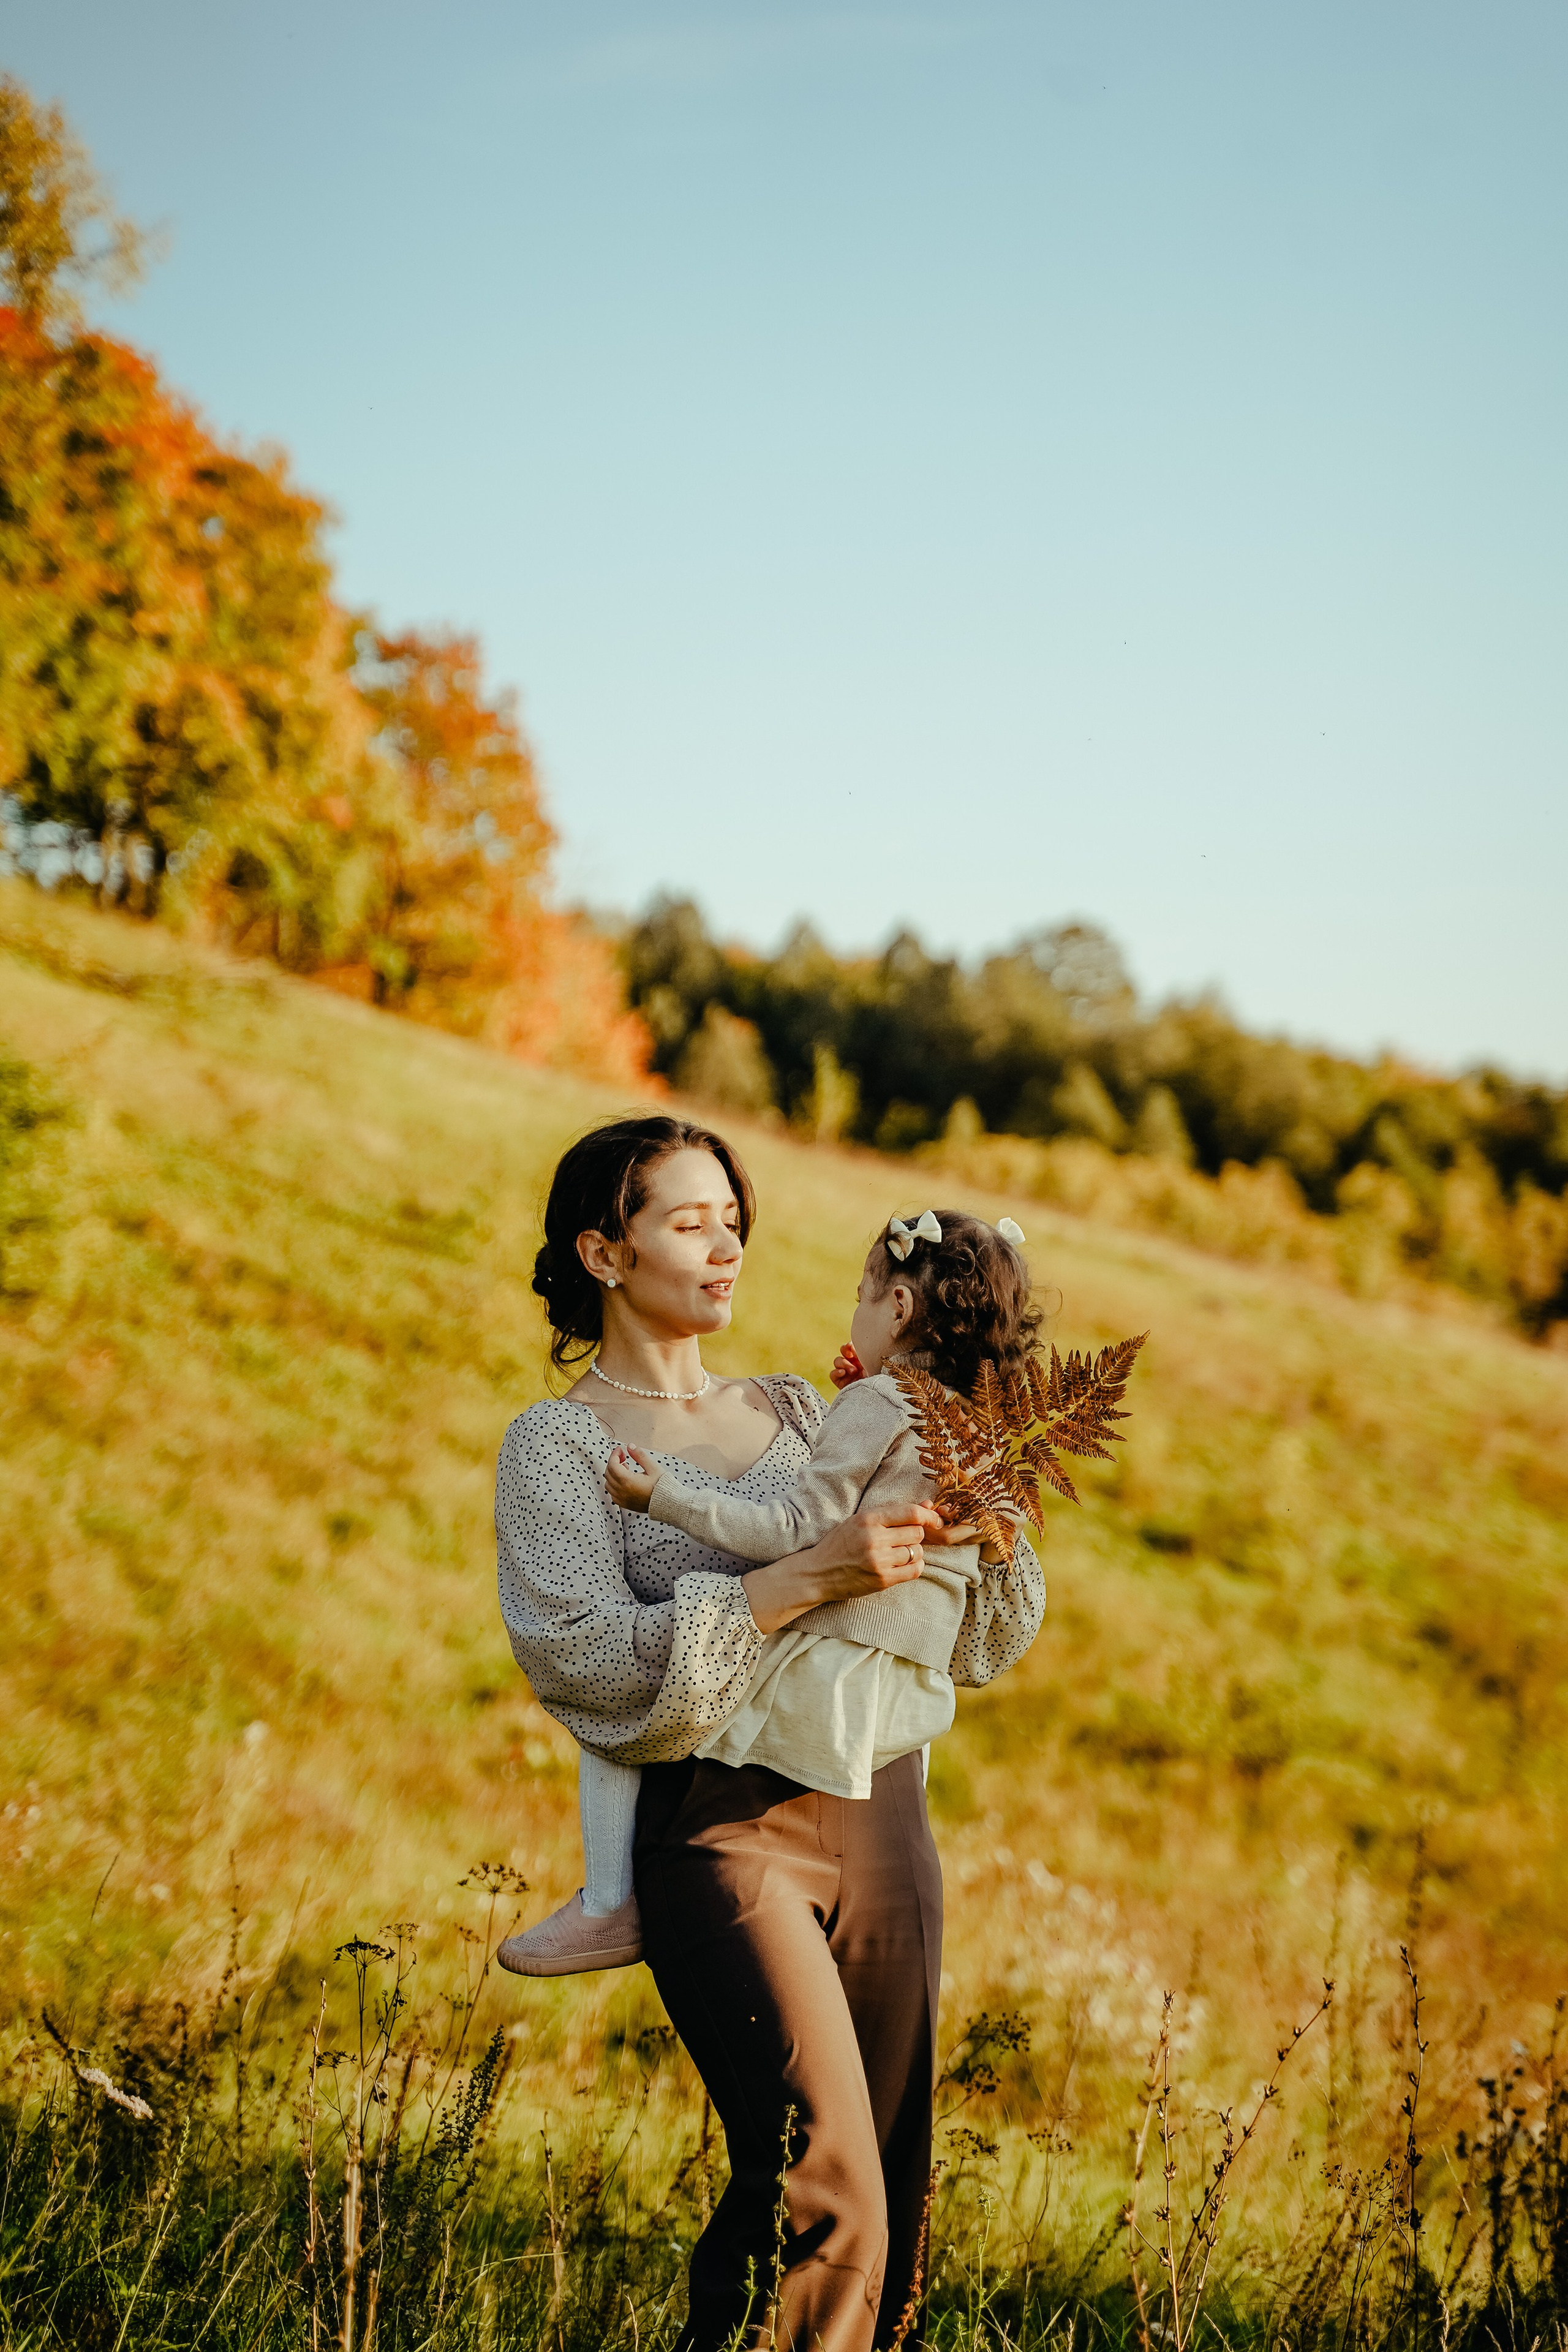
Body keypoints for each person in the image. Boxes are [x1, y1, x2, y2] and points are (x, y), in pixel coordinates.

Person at [494, 1115, 1046, 2352]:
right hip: (722, 1832)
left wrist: (988, 1514)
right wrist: (804, 1578)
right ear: (602, 1252)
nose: (724, 1247)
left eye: (733, 1224)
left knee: (889, 2210)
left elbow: (980, 1643)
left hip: (884, 1818)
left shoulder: (810, 1409)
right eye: (687, 1223)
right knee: (821, 2184)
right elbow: (591, 1667)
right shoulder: (559, 1448)